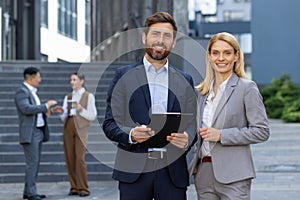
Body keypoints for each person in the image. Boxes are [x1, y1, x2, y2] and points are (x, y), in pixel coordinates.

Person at [102, 12, 197, 200]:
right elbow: (110, 123)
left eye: (167, 35)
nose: (160, 40)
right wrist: (130, 134)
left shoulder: (185, 80)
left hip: (173, 172)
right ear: (144, 37)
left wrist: (187, 138)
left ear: (174, 42)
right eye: (155, 34)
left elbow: (193, 123)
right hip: (134, 171)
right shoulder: (123, 76)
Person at [189, 32, 270, 200]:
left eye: (227, 53)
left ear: (236, 56)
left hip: (234, 176)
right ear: (209, 57)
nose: (221, 58)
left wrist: (221, 135)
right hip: (204, 173)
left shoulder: (247, 88)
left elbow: (262, 131)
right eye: (216, 53)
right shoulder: (201, 92)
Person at [14, 67, 57, 200]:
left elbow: (35, 112)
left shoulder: (33, 92)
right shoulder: (22, 91)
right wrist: (45, 106)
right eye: (38, 77)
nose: (40, 80)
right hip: (30, 132)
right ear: (31, 78)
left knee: (35, 163)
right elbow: (26, 108)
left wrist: (48, 110)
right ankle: (31, 193)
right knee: (32, 163)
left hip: (38, 131)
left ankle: (29, 192)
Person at [58, 72, 97, 197]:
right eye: (71, 80)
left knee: (80, 158)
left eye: (74, 79)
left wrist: (81, 110)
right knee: (70, 157)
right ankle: (74, 187)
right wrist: (61, 111)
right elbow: (63, 116)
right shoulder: (68, 96)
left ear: (82, 81)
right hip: (69, 126)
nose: (72, 82)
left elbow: (92, 115)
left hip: (81, 127)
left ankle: (83, 188)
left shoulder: (88, 96)